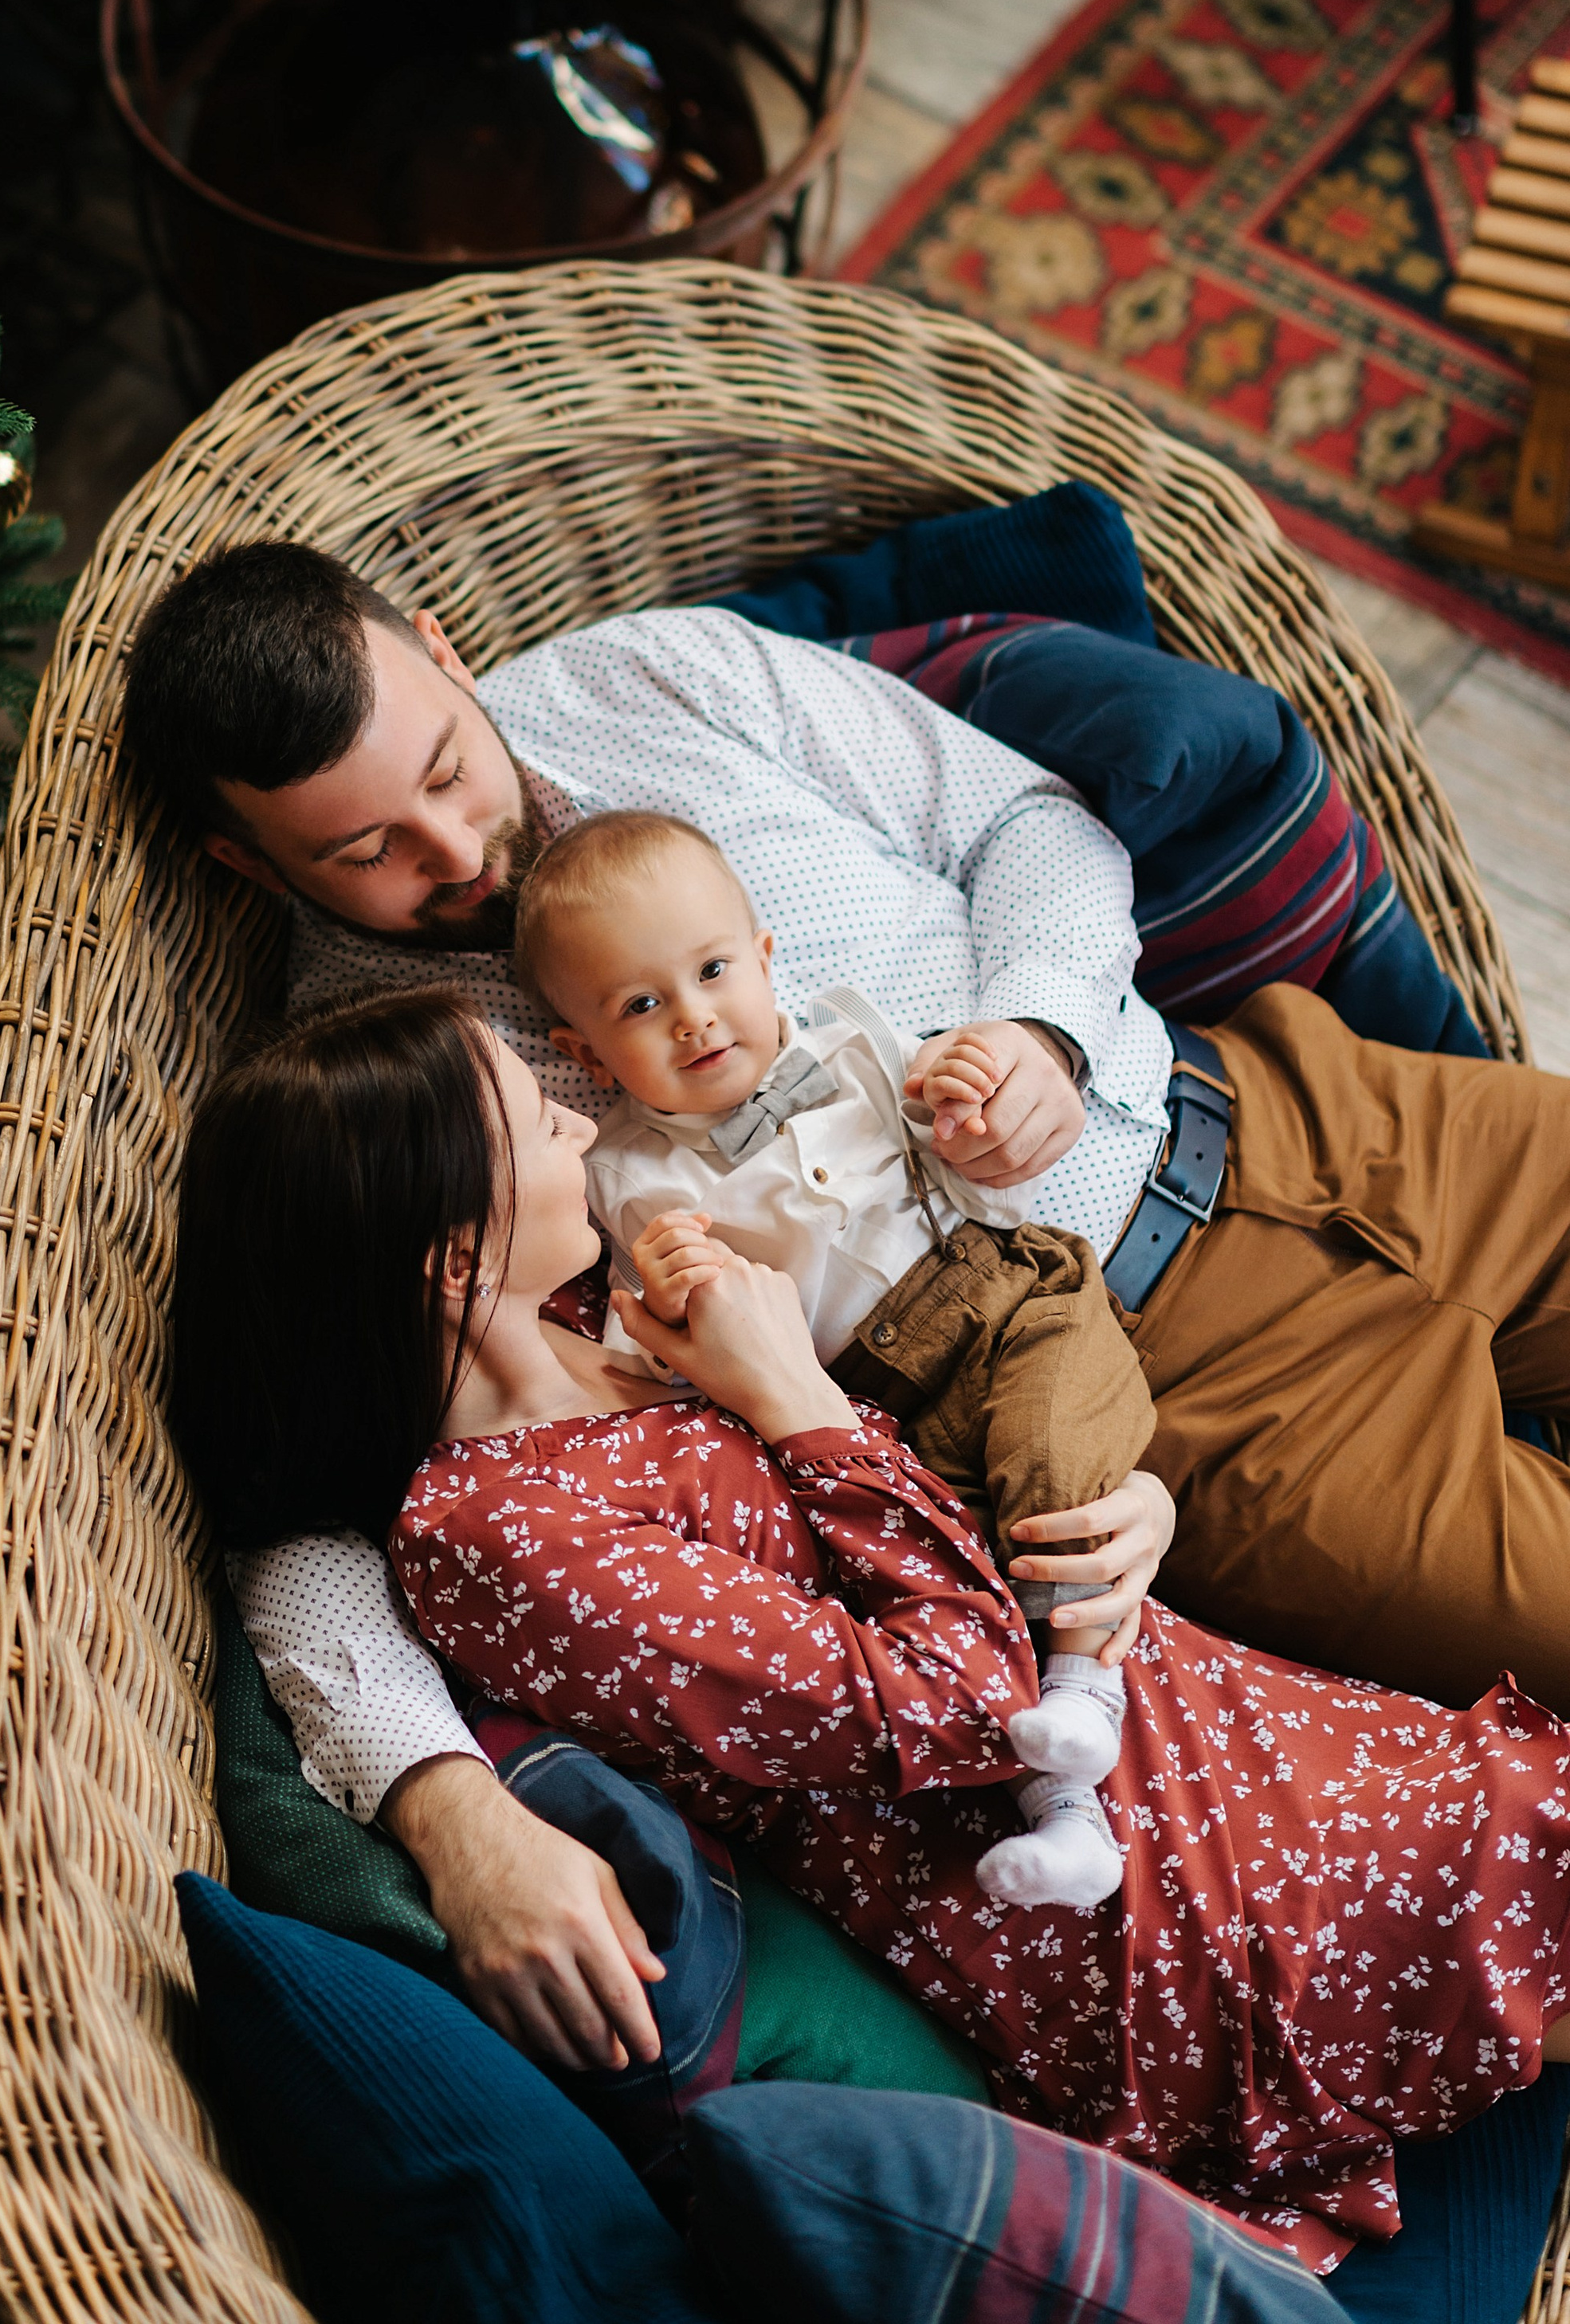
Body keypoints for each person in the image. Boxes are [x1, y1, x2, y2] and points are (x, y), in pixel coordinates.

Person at [120, 536, 1570, 2078]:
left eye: (447, 767)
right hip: (1183, 1415)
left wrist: (1044, 1030)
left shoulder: (652, 673)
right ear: (249, 867)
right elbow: (309, 1498)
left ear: (443, 649)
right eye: (368, 852)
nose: (457, 846)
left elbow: (1026, 823)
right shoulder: (386, 1088)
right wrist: (447, 1808)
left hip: (1281, 1103)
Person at [168, 988, 1570, 2277]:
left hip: (1207, 1724)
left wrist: (1113, 1488)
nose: (583, 1123)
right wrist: (799, 1402)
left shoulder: (610, 1315)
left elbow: (951, 1493)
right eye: (536, 1122)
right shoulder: (504, 1543)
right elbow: (967, 1709)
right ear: (450, 1255)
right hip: (1138, 1889)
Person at [514, 805, 1155, 1907]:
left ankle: (1087, 1692)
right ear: (584, 1055)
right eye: (641, 1006)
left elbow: (985, 1175)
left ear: (766, 960)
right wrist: (666, 1294)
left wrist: (961, 1101)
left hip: (1001, 1297)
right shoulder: (620, 1179)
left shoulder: (857, 1041)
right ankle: (1066, 1808)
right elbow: (656, 1360)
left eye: (715, 969)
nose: (696, 1019)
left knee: (1052, 1469)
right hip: (875, 1402)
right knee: (961, 1567)